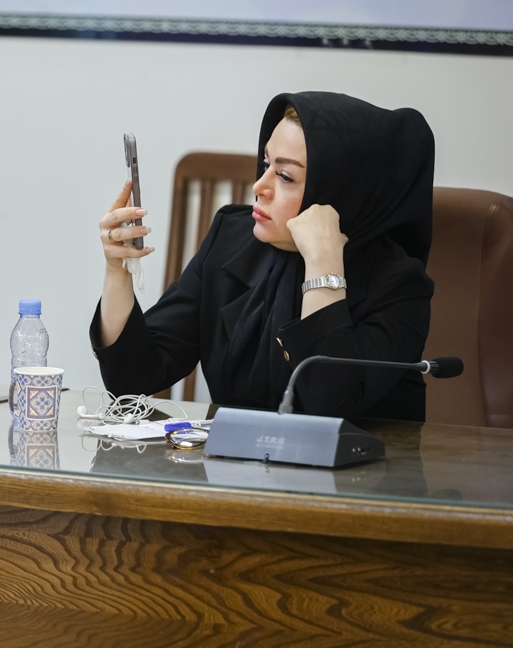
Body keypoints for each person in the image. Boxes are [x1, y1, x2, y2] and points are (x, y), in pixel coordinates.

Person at [91, 91, 434, 421]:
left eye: (285, 176)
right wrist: (117, 269)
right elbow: (133, 378)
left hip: (363, 463)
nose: (259, 186)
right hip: (233, 460)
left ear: (341, 192)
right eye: (266, 163)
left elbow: (328, 408)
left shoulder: (399, 284)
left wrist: (322, 264)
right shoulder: (231, 237)